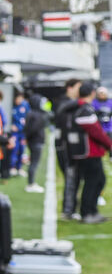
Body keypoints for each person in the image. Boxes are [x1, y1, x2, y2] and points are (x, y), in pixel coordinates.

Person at [70, 82, 111, 224]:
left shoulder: (83, 108)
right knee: (92, 182)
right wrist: (109, 144)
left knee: (99, 180)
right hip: (88, 152)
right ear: (92, 93)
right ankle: (87, 213)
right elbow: (96, 132)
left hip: (90, 152)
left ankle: (92, 211)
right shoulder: (84, 109)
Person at [54, 78, 83, 219]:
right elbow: (60, 111)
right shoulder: (63, 102)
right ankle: (68, 210)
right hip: (65, 147)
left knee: (75, 177)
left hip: (71, 145)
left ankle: (71, 208)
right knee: (70, 176)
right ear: (69, 88)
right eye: (79, 87)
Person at [23, 95, 49, 193]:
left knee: (33, 163)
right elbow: (33, 129)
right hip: (36, 142)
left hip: (33, 141)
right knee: (34, 163)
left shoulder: (31, 113)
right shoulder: (37, 115)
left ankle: (31, 183)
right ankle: (31, 184)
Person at [9, 91, 30, 177]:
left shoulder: (25, 105)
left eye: (21, 98)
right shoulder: (11, 105)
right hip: (15, 133)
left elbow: (28, 118)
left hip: (23, 132)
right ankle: (12, 167)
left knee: (22, 149)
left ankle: (19, 168)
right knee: (14, 149)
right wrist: (11, 126)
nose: (19, 100)